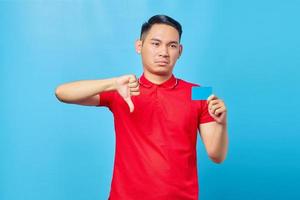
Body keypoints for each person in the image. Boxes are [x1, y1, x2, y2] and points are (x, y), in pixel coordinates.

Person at [55, 14, 228, 200]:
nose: (164, 52)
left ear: (180, 50)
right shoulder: (122, 89)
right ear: (139, 46)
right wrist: (112, 84)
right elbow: (62, 92)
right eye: (156, 43)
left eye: (172, 45)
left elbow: (216, 156)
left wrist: (222, 122)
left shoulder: (199, 92)